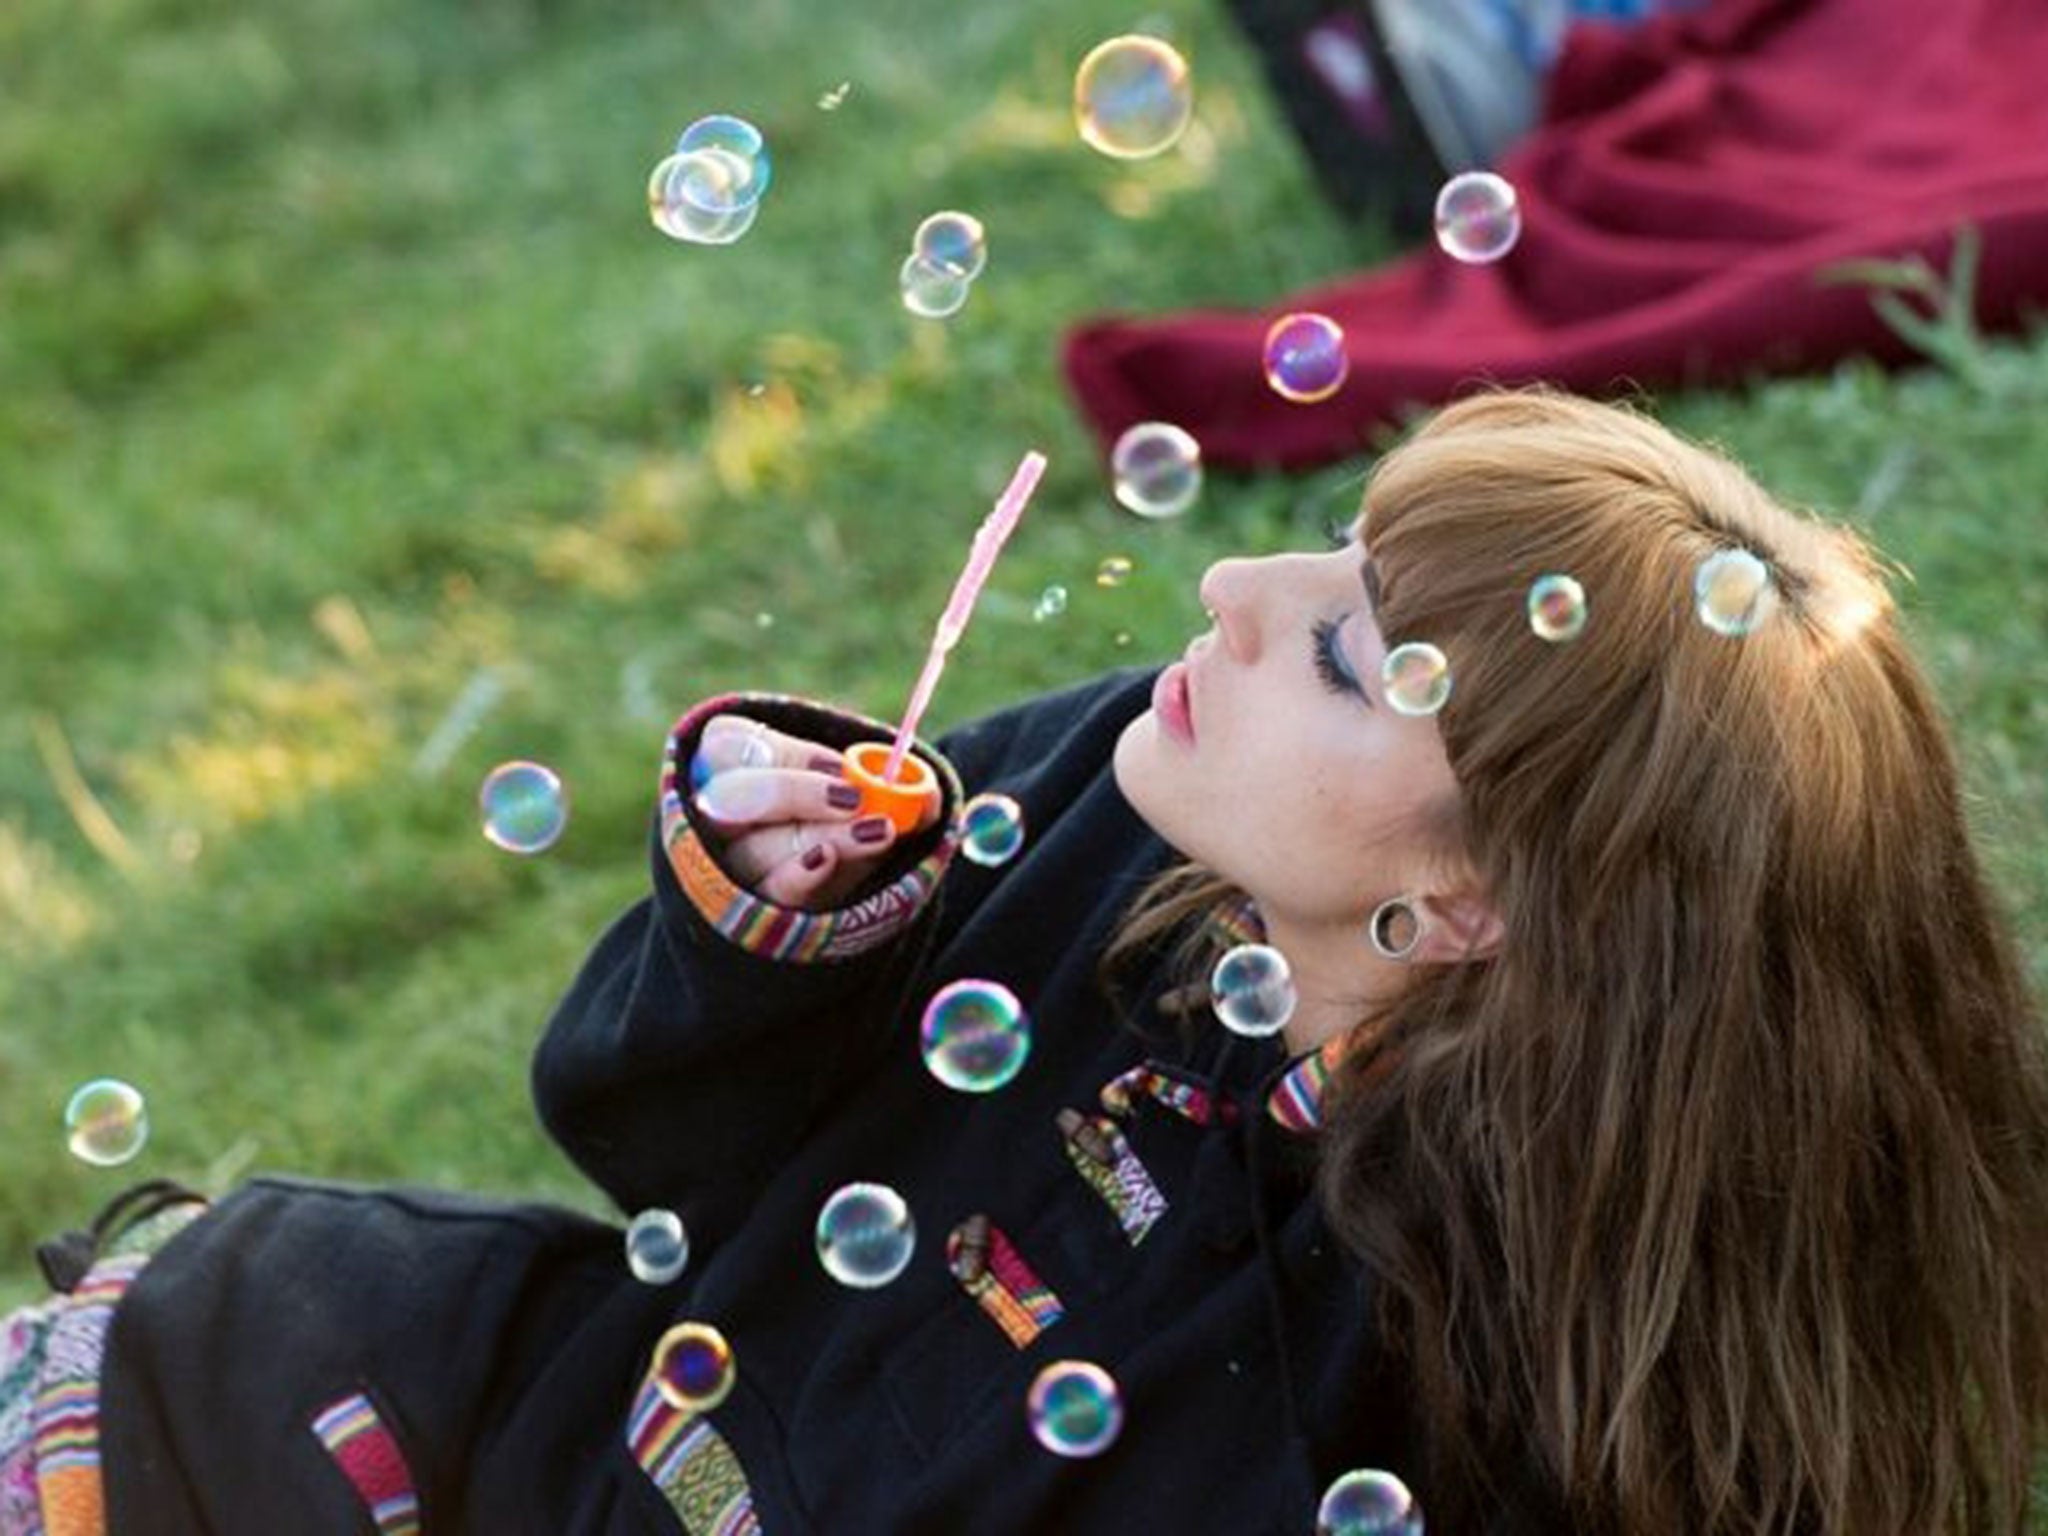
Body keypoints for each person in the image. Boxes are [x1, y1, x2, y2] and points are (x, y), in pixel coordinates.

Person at [5, 389, 2047, 1534]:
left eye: (1340, 653)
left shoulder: (1460, 1380)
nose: (1238, 584)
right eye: (1327, 547)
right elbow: (650, 1144)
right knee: (272, 1323)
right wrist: (769, 918)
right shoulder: (1126, 789)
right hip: (583, 1468)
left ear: (1483, 907)